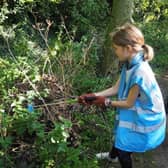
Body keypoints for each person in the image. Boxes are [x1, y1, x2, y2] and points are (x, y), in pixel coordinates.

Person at [78, 23, 166, 168]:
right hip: (138, 108)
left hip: (147, 114)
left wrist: (106, 102)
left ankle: (118, 155)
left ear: (128, 48)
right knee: (122, 133)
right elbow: (116, 88)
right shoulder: (129, 63)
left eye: (116, 48)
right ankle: (113, 156)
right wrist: (93, 95)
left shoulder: (140, 72)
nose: (115, 52)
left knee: (124, 150)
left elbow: (128, 103)